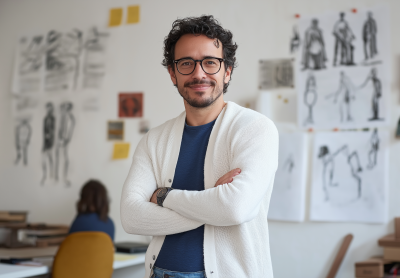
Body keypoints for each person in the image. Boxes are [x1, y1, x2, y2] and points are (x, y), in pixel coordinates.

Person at [121, 15, 279, 278]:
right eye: (186, 64)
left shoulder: (255, 129)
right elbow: (131, 217)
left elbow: (234, 208)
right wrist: (213, 201)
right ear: (172, 73)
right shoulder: (154, 139)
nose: (198, 73)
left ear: (227, 71)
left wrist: (164, 196)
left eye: (210, 62)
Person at [41, 102, 55, 185]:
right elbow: (44, 132)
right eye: (47, 108)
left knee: (50, 160)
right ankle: (45, 176)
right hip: (46, 142)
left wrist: (50, 139)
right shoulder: (45, 118)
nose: (48, 109)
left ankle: (50, 176)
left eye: (49, 108)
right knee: (45, 160)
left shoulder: (52, 119)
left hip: (50, 143)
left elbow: (52, 131)